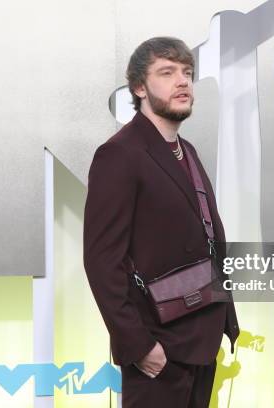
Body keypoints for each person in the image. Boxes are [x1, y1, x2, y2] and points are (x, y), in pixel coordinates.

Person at [83, 36, 239, 407]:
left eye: (187, 72)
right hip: (159, 349)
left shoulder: (188, 151)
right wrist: (139, 346)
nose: (182, 81)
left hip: (202, 339)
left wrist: (224, 325)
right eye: (167, 73)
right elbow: (102, 261)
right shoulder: (118, 155)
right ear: (139, 87)